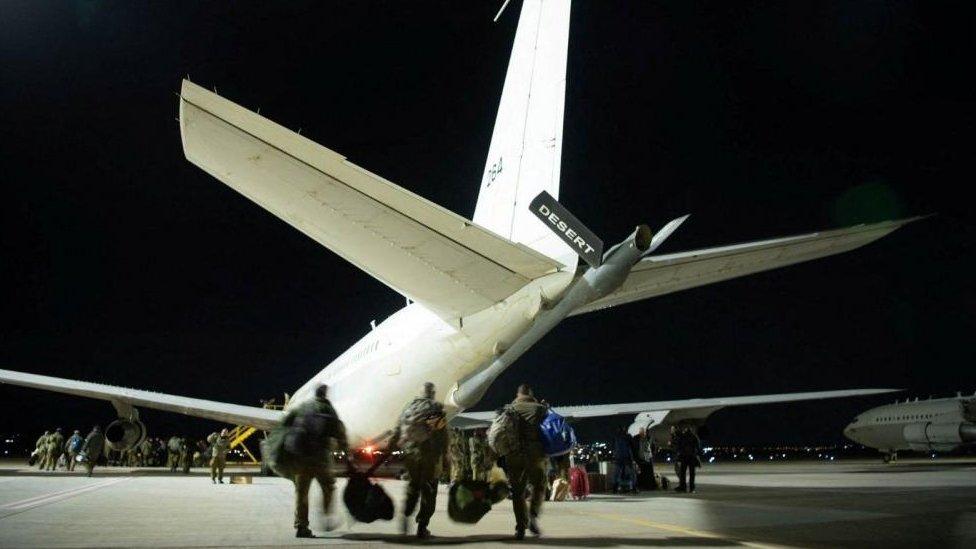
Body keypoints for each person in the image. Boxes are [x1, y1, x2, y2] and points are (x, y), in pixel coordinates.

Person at [282, 383, 349, 538]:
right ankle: (325, 514)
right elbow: (339, 430)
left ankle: (301, 526)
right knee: (329, 487)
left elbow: (287, 425)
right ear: (325, 395)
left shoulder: (304, 407)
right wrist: (345, 450)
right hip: (320, 460)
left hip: (301, 460)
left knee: (301, 494)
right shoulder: (328, 408)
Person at [389, 382, 448, 540]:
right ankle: (422, 527)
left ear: (420, 392)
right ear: (432, 393)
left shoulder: (409, 407)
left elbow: (397, 430)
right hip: (429, 456)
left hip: (411, 455)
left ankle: (406, 515)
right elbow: (442, 436)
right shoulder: (434, 408)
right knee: (429, 490)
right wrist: (446, 459)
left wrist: (390, 449)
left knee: (413, 486)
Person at [504, 383, 548, 540]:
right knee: (539, 486)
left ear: (518, 394)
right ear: (530, 393)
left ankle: (520, 527)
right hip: (534, 455)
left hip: (514, 455)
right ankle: (533, 517)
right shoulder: (539, 408)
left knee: (517, 492)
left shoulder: (509, 409)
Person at [674, 427, 701, 493]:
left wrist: (680, 453)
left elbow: (678, 447)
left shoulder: (682, 437)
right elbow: (698, 446)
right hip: (692, 456)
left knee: (682, 473)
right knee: (692, 474)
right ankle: (692, 488)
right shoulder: (694, 436)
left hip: (684, 457)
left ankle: (683, 487)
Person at [612, 427, 636, 494]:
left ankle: (615, 488)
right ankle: (633, 488)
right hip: (627, 457)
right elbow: (633, 446)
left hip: (618, 458)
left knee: (616, 474)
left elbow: (614, 447)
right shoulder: (628, 437)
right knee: (632, 473)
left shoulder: (616, 437)